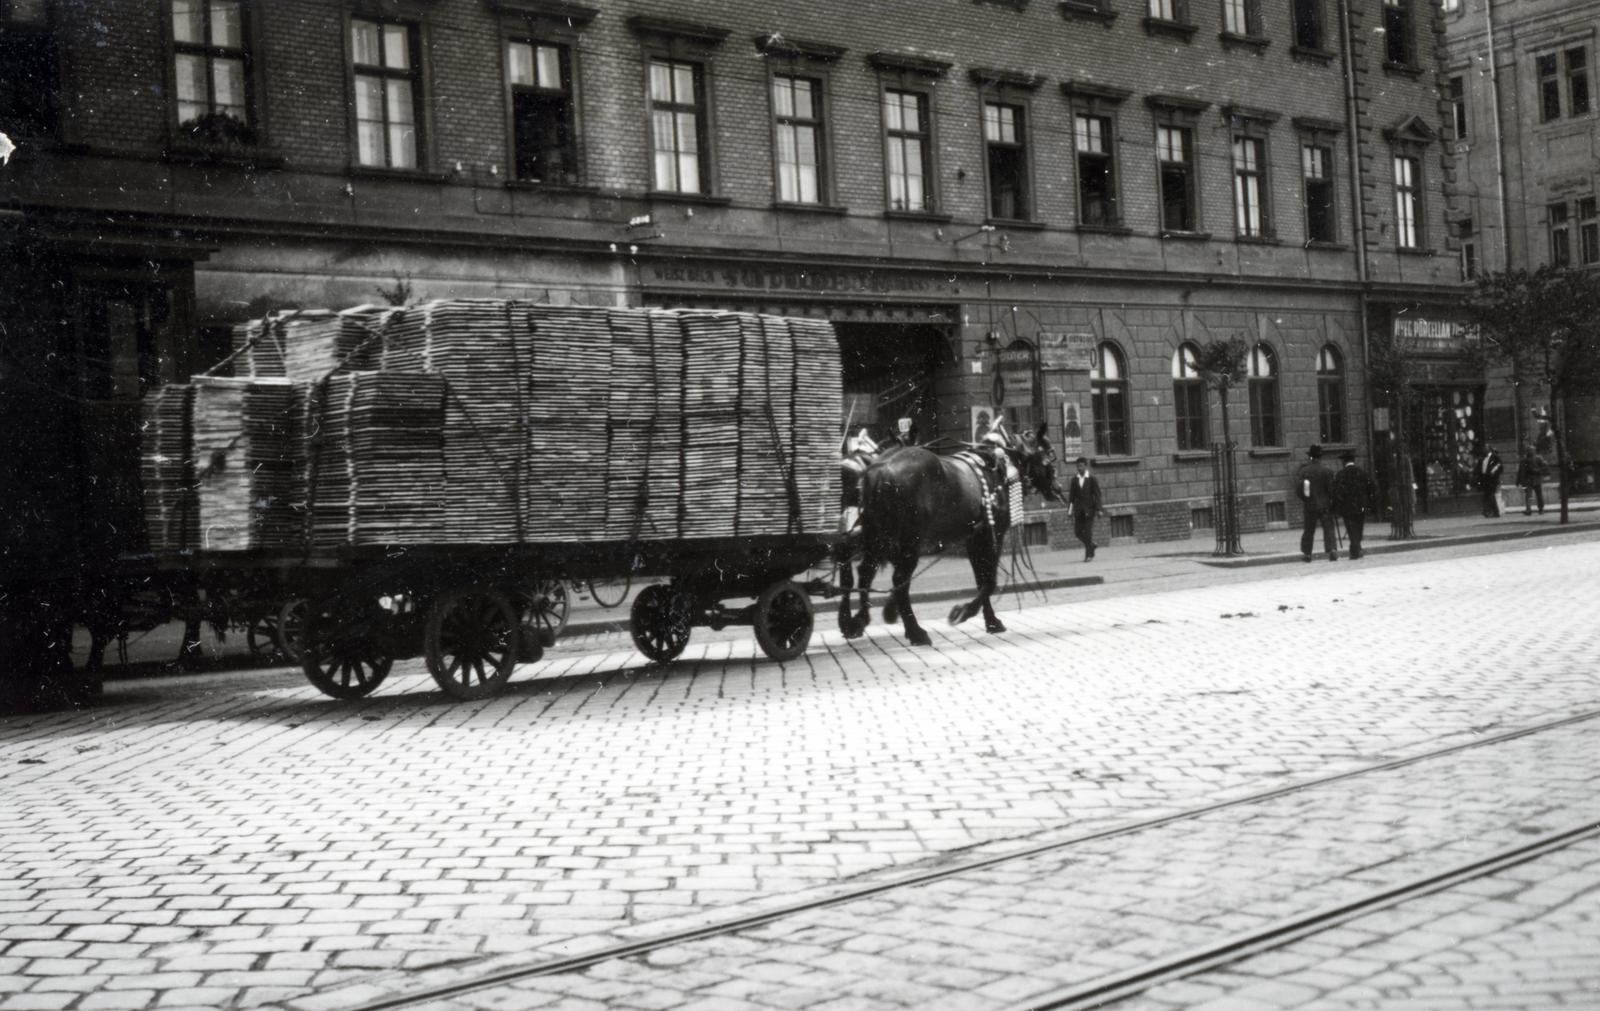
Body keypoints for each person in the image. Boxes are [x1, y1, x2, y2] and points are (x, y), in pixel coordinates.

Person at [1331, 449, 1376, 560]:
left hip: (1347, 507)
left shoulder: (1341, 475)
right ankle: (1356, 549)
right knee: (1359, 528)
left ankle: (1355, 551)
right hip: (1361, 505)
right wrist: (1368, 501)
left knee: (1351, 529)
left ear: (1344, 462)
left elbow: (1336, 492)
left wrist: (1336, 507)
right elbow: (1372, 488)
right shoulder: (1362, 472)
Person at [1296, 444, 1338, 562]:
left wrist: (1306, 499)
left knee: (1309, 529)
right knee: (1328, 528)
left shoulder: (1304, 471)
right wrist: (1332, 502)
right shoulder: (1328, 471)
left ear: (1311, 457)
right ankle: (1332, 550)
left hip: (1310, 505)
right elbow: (1332, 490)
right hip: (1325, 505)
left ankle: (1307, 553)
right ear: (1320, 457)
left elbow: (1299, 490)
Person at [1065, 456, 1103, 561]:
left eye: (1081, 466)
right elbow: (1071, 497)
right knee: (1077, 532)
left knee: (1088, 532)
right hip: (1078, 511)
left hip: (1089, 510)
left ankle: (1088, 555)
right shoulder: (1074, 480)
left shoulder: (1091, 479)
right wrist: (1069, 511)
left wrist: (1099, 509)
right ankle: (1091, 545)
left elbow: (1097, 495)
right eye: (1078, 466)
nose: (1079, 468)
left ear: (1085, 466)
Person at [1516, 444, 1547, 515]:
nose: (1529, 452)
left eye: (1531, 450)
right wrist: (1518, 481)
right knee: (1528, 496)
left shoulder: (1538, 458)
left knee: (1539, 495)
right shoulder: (1524, 460)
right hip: (1528, 480)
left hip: (1537, 479)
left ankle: (1541, 509)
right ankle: (1528, 509)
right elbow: (1520, 471)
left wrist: (1537, 470)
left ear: (1534, 451)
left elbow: (1544, 467)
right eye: (1528, 450)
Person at [1477, 444, 1504, 518]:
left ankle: (1491, 511)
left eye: (1485, 449)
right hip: (1485, 479)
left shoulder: (1494, 457)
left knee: (1490, 495)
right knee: (1487, 495)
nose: (1484, 450)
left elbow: (1500, 466)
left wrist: (1495, 472)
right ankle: (1491, 511)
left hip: (1492, 479)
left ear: (1489, 449)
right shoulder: (1482, 458)